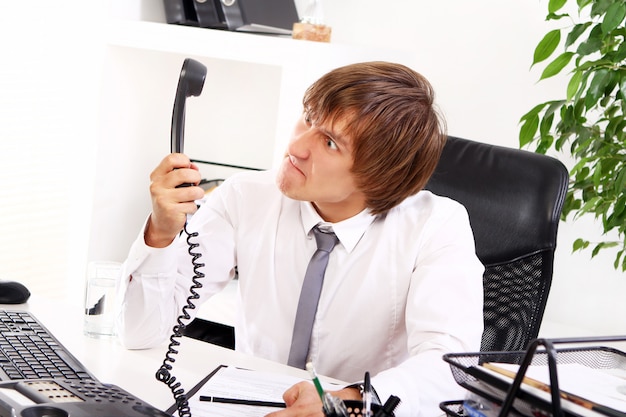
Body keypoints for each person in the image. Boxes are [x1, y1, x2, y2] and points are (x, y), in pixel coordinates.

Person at [116, 61, 484, 417]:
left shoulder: (436, 225)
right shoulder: (244, 196)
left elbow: (450, 366)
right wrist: (162, 233)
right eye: (309, 118)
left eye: (329, 143)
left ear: (378, 177)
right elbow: (140, 333)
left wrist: (346, 404)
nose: (297, 146)